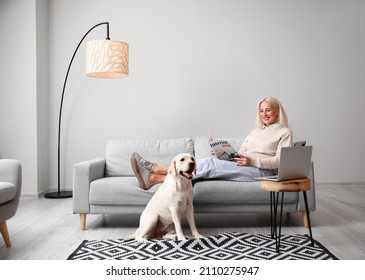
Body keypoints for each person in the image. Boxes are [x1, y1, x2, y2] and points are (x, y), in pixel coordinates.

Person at [131, 97, 293, 189]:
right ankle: (153, 178)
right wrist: (227, 155)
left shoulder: (284, 132)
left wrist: (253, 161)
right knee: (210, 163)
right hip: (246, 165)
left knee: (209, 165)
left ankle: (157, 170)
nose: (264, 114)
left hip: (262, 172)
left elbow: (281, 162)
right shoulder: (256, 131)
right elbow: (242, 152)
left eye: (268, 110)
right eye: (261, 110)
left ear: (277, 111)